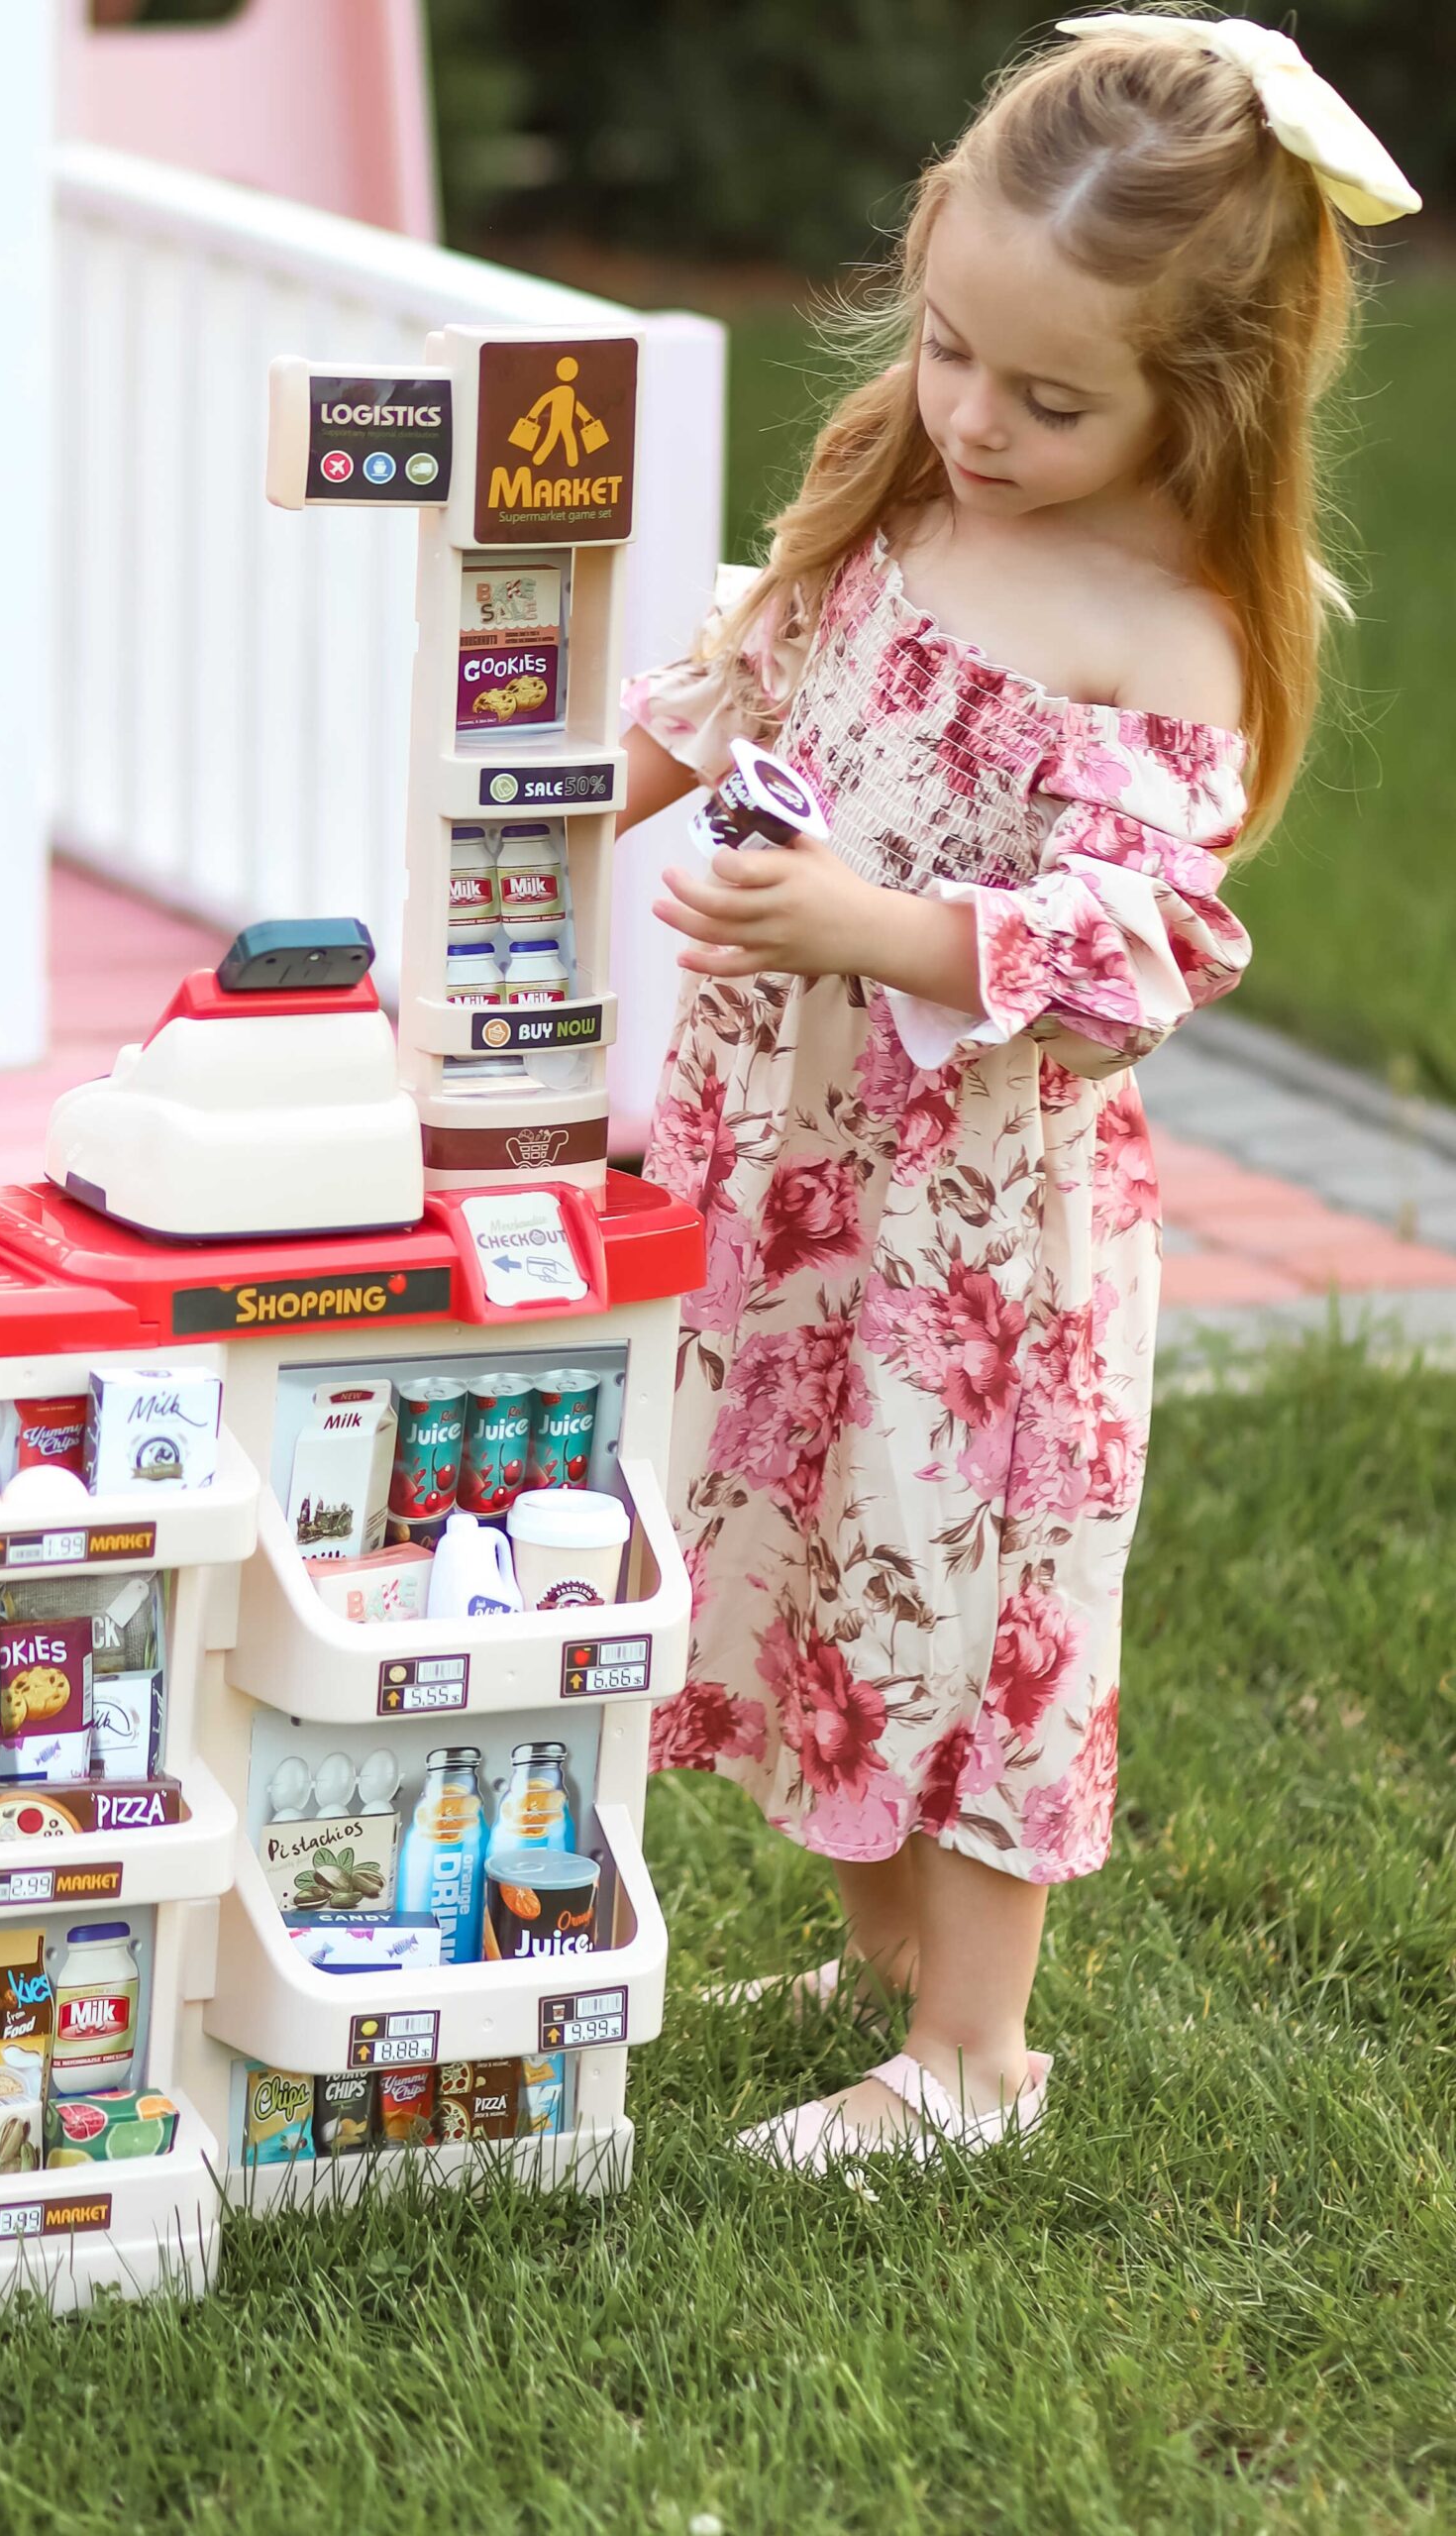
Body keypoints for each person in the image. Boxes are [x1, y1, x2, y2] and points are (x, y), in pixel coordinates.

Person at [614, 12, 1417, 2166]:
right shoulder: (908, 482)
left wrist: (861, 923)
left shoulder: (1165, 625)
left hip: (978, 1238)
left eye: (1048, 399)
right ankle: (883, 1956)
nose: (971, 415)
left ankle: (972, 2057)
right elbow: (751, 671)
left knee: (965, 1598)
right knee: (813, 1552)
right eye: (948, 346)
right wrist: (543, 800)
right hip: (802, 1176)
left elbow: (1127, 952)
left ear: (1202, 396)